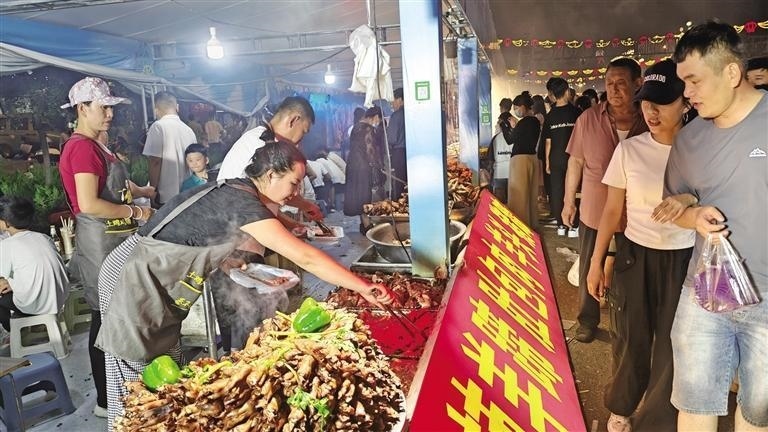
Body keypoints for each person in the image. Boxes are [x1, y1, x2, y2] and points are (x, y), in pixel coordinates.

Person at [95, 140, 395, 427]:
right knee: (137, 394)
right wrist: (362, 287)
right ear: (271, 174)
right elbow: (307, 258)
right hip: (133, 275)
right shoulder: (242, 201)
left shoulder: (238, 190)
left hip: (151, 277)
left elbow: (193, 234)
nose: (296, 192)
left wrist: (225, 260)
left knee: (166, 377)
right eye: (293, 183)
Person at [664, 21, 768, 432]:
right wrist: (694, 215)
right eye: (683, 82)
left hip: (767, 296)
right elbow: (675, 205)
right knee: (694, 402)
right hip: (708, 289)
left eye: (694, 81)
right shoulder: (688, 140)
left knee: (758, 412)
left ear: (731, 72)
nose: (687, 93)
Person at [586, 59, 695, 432]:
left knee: (671, 344)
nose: (651, 111)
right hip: (635, 255)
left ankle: (658, 419)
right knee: (631, 337)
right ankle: (622, 405)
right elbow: (612, 210)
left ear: (685, 102)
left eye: (662, 102)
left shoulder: (701, 149)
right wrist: (597, 262)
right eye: (647, 102)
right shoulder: (630, 150)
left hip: (684, 258)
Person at [58, 76, 156, 418]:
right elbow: (88, 203)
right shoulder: (81, 148)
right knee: (105, 320)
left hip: (115, 239)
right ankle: (105, 399)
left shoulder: (96, 145)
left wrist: (140, 192)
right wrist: (137, 212)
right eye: (104, 107)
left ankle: (120, 390)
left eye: (112, 108)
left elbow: (113, 184)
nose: (110, 114)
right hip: (101, 242)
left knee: (114, 316)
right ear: (82, 108)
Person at [562, 58, 648, 343]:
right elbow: (575, 162)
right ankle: (587, 320)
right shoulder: (588, 119)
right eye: (609, 83)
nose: (613, 89)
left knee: (630, 267)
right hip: (595, 208)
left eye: (621, 83)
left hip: (636, 212)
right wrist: (568, 201)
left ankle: (626, 321)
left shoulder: (649, 118)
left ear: (638, 83)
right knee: (590, 262)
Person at [217, 96, 322, 221]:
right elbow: (268, 198)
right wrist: (305, 206)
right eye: (303, 132)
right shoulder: (261, 144)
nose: (301, 140)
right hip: (231, 221)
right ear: (293, 120)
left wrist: (298, 221)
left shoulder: (264, 140)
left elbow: (265, 204)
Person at [0, 197, 68, 331]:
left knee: (2, 297)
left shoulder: (7, 244)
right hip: (59, 300)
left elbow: (3, 278)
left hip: (37, 305)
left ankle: (14, 333)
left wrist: (8, 282)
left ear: (6, 223)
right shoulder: (43, 237)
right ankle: (32, 327)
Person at [143, 91, 197, 206]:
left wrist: (153, 190)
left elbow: (155, 161)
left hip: (166, 195)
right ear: (177, 107)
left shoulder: (158, 127)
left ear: (156, 110)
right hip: (187, 193)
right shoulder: (189, 130)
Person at [543, 77, 581, 234]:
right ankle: (574, 225)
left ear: (553, 94)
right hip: (575, 157)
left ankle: (561, 225)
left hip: (556, 158)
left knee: (557, 191)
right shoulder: (577, 113)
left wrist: (547, 162)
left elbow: (548, 142)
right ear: (567, 92)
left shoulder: (550, 115)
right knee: (574, 189)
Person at [344, 106, 384, 232]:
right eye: (378, 120)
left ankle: (363, 224)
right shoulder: (368, 129)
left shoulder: (355, 127)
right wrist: (379, 167)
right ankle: (367, 225)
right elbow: (370, 151)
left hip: (352, 166)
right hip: (363, 167)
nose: (378, 122)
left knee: (358, 195)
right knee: (365, 196)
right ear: (375, 117)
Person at [507, 92, 541, 229]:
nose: (515, 110)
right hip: (532, 158)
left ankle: (519, 228)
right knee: (530, 196)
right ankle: (532, 226)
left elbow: (510, 140)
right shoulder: (536, 121)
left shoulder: (523, 123)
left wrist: (508, 126)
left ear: (522, 106)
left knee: (519, 197)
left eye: (516, 107)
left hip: (520, 160)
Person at [486, 111, 515, 203]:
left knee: (500, 203)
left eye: (498, 123)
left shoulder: (495, 138)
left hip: (499, 174)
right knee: (514, 202)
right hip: (514, 173)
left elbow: (490, 159)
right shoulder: (517, 137)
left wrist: (490, 173)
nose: (497, 125)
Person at [387, 87, 407, 199]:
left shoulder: (396, 116)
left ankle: (401, 203)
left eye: (393, 101)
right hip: (413, 152)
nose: (392, 104)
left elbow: (392, 139)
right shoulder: (412, 113)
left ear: (399, 99)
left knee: (400, 182)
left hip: (399, 154)